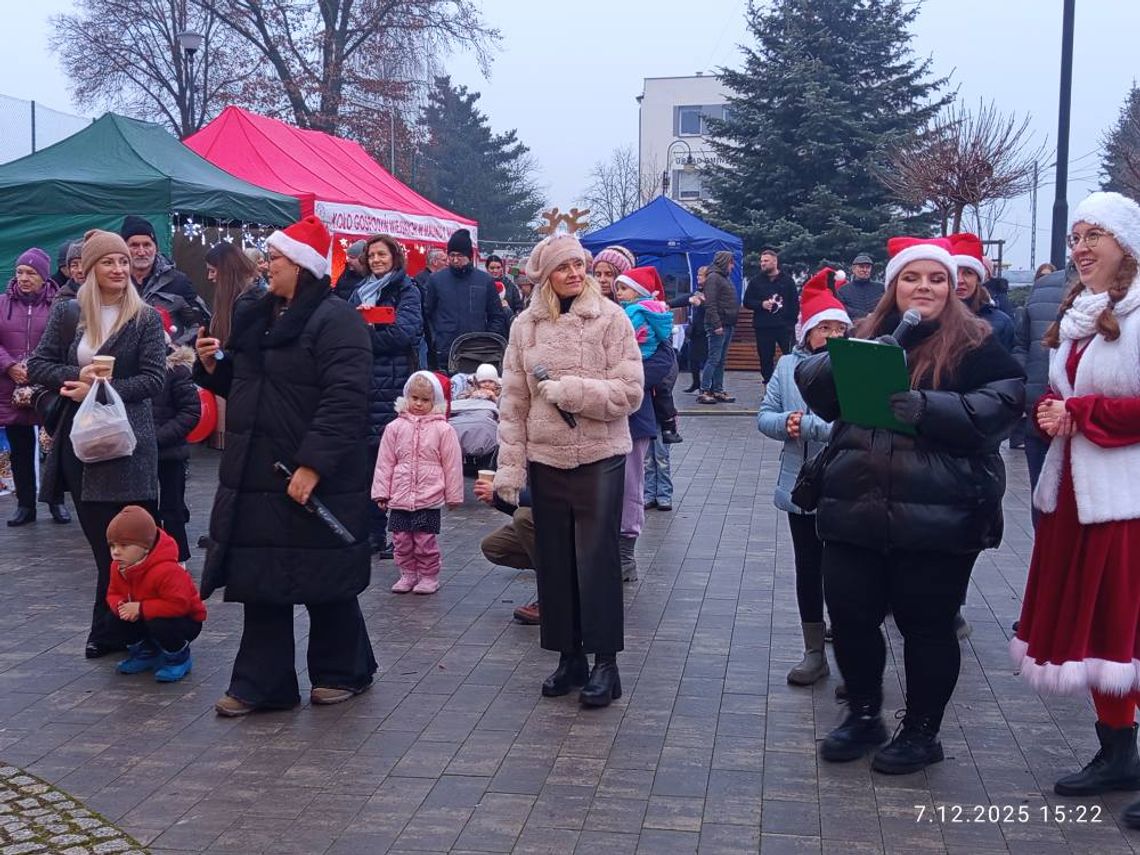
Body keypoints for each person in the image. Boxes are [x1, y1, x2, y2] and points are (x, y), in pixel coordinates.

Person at [797, 235, 1023, 774]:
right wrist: (863, 355)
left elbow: (1002, 404)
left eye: (937, 278)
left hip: (939, 515)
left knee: (927, 624)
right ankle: (864, 714)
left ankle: (922, 731)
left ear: (955, 287)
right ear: (893, 287)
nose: (924, 287)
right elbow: (813, 384)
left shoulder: (978, 344)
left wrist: (928, 406)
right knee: (850, 616)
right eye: (911, 278)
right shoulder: (870, 331)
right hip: (856, 506)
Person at [194, 215, 377, 716]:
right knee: (261, 580)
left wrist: (312, 465)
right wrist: (214, 368)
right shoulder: (259, 314)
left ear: (301, 265)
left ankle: (344, 671)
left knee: (325, 578)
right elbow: (251, 389)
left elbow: (345, 400)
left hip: (314, 474)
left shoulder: (338, 320)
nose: (264, 266)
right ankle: (263, 683)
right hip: (256, 473)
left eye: (273, 259)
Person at [1010, 193, 1140, 820]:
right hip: (1076, 495)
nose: (1081, 248)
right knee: (1100, 634)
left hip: (1128, 501)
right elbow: (1067, 394)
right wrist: (1052, 412)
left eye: (1095, 235)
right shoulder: (1084, 312)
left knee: (1130, 629)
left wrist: (1081, 413)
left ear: (1127, 245)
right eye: (1075, 237)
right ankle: (1117, 754)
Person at [495, 233, 642, 707]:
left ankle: (606, 664)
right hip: (545, 459)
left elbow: (630, 391)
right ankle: (568, 656)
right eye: (565, 267)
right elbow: (513, 401)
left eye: (579, 264)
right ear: (546, 277)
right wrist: (509, 469)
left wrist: (572, 392)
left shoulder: (611, 318)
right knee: (554, 564)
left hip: (600, 457)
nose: (576, 273)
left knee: (595, 561)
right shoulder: (524, 327)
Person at [28, 229, 167, 659]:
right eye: (109, 262)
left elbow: (155, 379)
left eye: (124, 262)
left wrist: (106, 387)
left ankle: (132, 630)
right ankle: (111, 627)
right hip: (82, 444)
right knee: (104, 547)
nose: (119, 269)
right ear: (89, 269)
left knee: (135, 544)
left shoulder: (144, 318)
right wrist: (75, 380)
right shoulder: (70, 313)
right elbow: (38, 364)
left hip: (129, 444)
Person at [758, 268, 851, 686]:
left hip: (848, 486)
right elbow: (764, 416)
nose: (831, 334)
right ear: (807, 331)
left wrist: (810, 425)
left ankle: (849, 644)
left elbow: (853, 427)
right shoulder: (787, 367)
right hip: (802, 485)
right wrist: (786, 423)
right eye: (823, 327)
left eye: (838, 327)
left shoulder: (856, 365)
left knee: (846, 568)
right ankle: (813, 649)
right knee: (807, 567)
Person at [349, 233, 424, 558]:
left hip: (392, 385)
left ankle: (402, 534)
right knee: (368, 462)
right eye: (372, 255)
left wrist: (367, 331)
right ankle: (373, 531)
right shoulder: (358, 290)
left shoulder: (406, 290)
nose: (377, 260)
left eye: (382, 254)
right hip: (364, 385)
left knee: (395, 462)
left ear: (394, 256)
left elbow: (405, 333)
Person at [371, 371, 463, 595]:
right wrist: (381, 492)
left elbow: (452, 464)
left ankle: (429, 575)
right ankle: (407, 573)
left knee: (424, 540)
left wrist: (454, 495)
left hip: (427, 495)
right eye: (415, 398)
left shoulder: (443, 429)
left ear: (435, 401)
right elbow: (385, 462)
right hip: (400, 495)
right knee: (401, 540)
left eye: (425, 400)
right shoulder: (395, 428)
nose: (419, 404)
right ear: (407, 396)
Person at [1, 247, 70, 526]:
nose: (24, 278)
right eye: (20, 272)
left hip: (47, 386)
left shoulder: (59, 306)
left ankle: (56, 502)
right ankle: (25, 505)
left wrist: (41, 369)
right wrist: (9, 366)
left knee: (53, 446)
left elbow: (65, 343)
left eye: (31, 273)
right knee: (20, 447)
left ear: (43, 276)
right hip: (10, 386)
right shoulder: (2, 304)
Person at [105, 505, 207, 682]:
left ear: (145, 547)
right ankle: (146, 652)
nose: (116, 551)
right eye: (112, 545)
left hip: (185, 620)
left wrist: (141, 608)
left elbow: (179, 605)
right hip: (144, 613)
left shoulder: (167, 570)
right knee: (111, 620)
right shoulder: (118, 566)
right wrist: (121, 606)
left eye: (124, 545)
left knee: (160, 623)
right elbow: (112, 593)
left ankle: (178, 657)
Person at [1013, 265, 1068, 505]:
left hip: (1091, 423)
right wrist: (1025, 387)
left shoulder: (1126, 291)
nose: (1082, 246)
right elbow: (1022, 343)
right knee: (1043, 505)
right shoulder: (1044, 286)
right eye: (1076, 238)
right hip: (1039, 415)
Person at [151, 308, 200, 564]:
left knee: (172, 506)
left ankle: (178, 555)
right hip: (140, 451)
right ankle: (150, 556)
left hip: (170, 450)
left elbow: (191, 412)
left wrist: (159, 437)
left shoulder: (177, 370)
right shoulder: (132, 366)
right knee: (145, 507)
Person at [615, 267, 682, 443]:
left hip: (640, 356)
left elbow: (624, 334)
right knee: (662, 393)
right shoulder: (654, 309)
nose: (619, 293)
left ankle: (668, 426)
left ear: (637, 291)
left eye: (623, 289)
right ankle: (670, 426)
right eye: (618, 289)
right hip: (649, 354)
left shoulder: (632, 311)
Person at [423, 228, 507, 368]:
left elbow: (497, 316)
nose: (455, 260)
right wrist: (434, 339)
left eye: (460, 255)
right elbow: (426, 314)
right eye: (451, 255)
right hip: (444, 351)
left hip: (478, 352)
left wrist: (488, 340)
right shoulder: (435, 280)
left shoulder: (484, 280)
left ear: (469, 255)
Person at [120, 215, 210, 336]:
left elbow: (200, 324)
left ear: (156, 248)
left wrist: (177, 348)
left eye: (147, 245)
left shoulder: (178, 281)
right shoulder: (114, 280)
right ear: (124, 248)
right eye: (134, 245)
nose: (141, 252)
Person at [476, 479, 538, 624]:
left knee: (523, 516)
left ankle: (555, 598)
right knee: (493, 547)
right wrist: (497, 501)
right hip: (546, 519)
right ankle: (563, 572)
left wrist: (501, 494)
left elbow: (550, 496)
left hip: (571, 521)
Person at [950, 233, 1015, 351]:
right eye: (954, 273)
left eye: (968, 273)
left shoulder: (1001, 322)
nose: (960, 280)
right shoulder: (929, 320)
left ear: (978, 279)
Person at [744, 247, 799, 384]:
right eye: (761, 261)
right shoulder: (756, 281)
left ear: (775, 262)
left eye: (766, 261)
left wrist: (790, 324)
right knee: (765, 358)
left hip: (783, 327)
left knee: (790, 356)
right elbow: (747, 301)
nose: (762, 263)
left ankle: (791, 384)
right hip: (763, 326)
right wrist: (761, 304)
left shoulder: (787, 281)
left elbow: (794, 303)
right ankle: (768, 385)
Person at [698, 251, 740, 405]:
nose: (732, 266)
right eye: (731, 262)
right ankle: (704, 390)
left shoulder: (722, 277)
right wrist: (716, 325)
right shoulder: (714, 278)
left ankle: (718, 389)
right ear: (724, 262)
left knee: (721, 359)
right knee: (714, 358)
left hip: (727, 323)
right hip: (719, 325)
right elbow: (710, 304)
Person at [205, 242, 261, 347]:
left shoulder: (247, 305)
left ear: (227, 271)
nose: (209, 277)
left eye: (212, 271)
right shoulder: (232, 301)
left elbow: (243, 353)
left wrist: (217, 357)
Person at [838, 253, 885, 321]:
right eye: (861, 267)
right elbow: (842, 308)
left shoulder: (881, 288)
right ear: (853, 269)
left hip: (878, 326)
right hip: (853, 328)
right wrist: (864, 315)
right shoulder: (843, 291)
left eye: (868, 267)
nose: (865, 270)